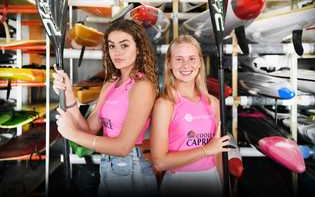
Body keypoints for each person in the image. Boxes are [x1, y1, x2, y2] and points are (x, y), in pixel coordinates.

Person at [53, 19, 159, 197]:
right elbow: (90, 129)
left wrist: (72, 134)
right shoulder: (111, 83)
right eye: (112, 46)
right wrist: (69, 95)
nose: (117, 52)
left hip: (131, 168)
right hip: (108, 166)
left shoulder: (142, 86)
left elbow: (123, 146)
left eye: (124, 45)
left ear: (139, 48)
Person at [150, 35, 230, 197]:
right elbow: (159, 162)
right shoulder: (165, 105)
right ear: (169, 64)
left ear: (200, 62)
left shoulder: (213, 103)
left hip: (211, 180)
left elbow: (218, 154)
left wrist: (223, 186)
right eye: (179, 59)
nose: (186, 65)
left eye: (192, 58)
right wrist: (205, 150)